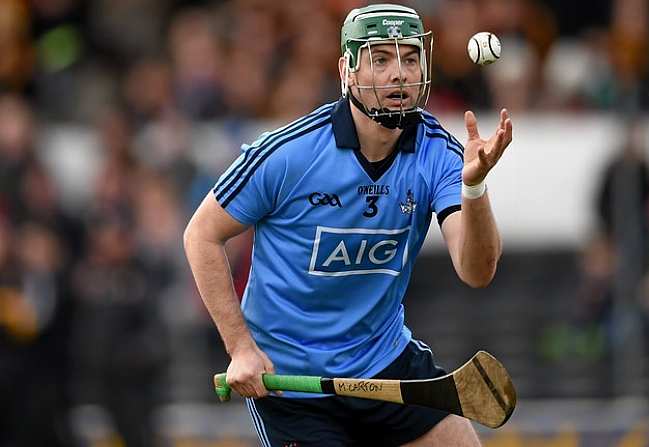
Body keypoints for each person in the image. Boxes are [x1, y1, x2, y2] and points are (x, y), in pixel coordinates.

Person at [183, 4, 512, 446]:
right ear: (348, 70)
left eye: (410, 58)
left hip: (385, 363)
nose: (399, 73)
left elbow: (477, 272)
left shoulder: (440, 153)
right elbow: (201, 234)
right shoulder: (290, 153)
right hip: (291, 383)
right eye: (381, 59)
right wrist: (240, 346)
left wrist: (474, 190)